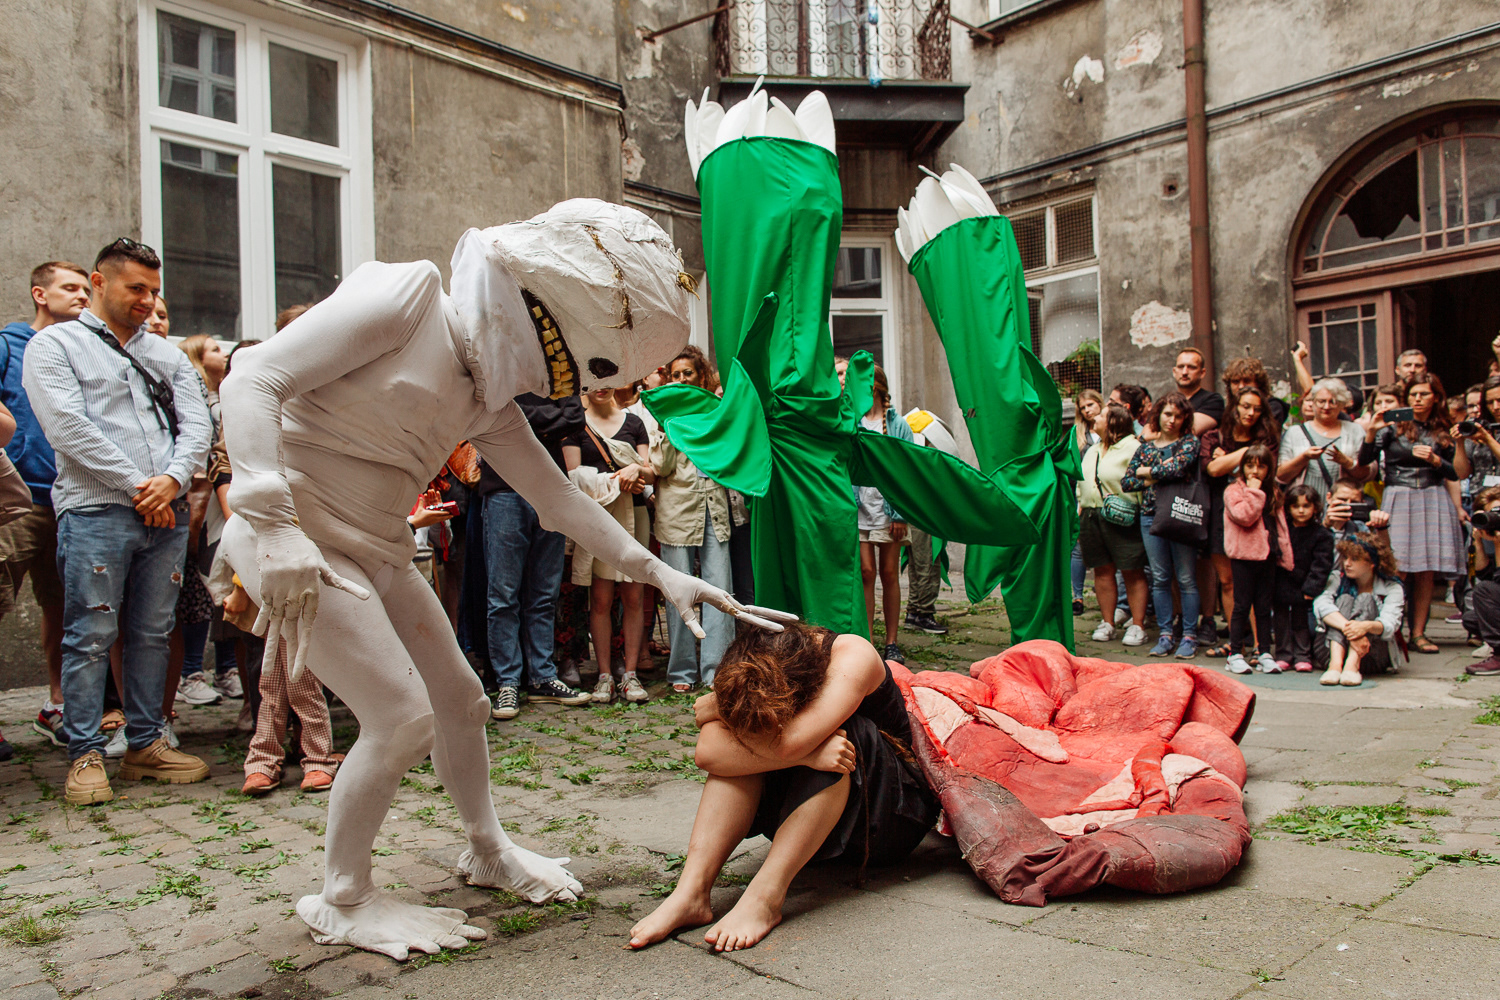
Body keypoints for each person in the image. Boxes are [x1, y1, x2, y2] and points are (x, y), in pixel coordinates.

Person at [22, 238, 214, 805]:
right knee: (89, 632)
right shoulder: (55, 345)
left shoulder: (164, 353)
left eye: (154, 291)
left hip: (167, 509)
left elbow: (197, 424)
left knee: (153, 631)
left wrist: (173, 482)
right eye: (137, 288)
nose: (147, 300)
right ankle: (84, 753)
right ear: (99, 283)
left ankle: (146, 744)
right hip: (96, 508)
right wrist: (139, 486)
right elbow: (67, 427)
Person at [626, 622, 937, 953]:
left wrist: (720, 710)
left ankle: (765, 898)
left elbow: (792, 744)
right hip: (812, 815)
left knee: (842, 736)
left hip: (890, 819)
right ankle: (691, 893)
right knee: (751, 744)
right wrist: (804, 753)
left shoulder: (853, 656)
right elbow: (708, 753)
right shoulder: (760, 661)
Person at [1, 261, 88, 748]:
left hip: (69, 500)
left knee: (63, 608)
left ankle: (57, 704)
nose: (82, 295)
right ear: (40, 293)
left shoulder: (78, 351)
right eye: (69, 288)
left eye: (84, 288)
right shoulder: (8, 345)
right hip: (19, 502)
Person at [477, 394, 592, 719]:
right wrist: (546, 420)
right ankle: (508, 682)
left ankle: (543, 677)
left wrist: (521, 420)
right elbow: (492, 412)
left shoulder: (558, 370)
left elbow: (574, 419)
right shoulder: (501, 367)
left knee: (544, 594)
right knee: (503, 596)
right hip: (503, 488)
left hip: (549, 488)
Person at [1359, 375, 1463, 653]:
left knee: (1426, 570)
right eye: (1413, 394)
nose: (1418, 398)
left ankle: (1418, 633)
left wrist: (1436, 460)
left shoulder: (1443, 428)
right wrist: (1371, 431)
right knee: (1397, 566)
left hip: (1432, 495)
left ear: (1435, 398)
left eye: (1424, 394)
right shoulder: (1394, 427)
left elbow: (1456, 472)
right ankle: (1390, 629)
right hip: (1399, 495)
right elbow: (1363, 461)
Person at [564, 386, 655, 704]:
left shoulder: (634, 423)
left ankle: (630, 675)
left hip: (635, 517)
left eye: (606, 380)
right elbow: (573, 477)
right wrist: (619, 479)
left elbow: (650, 471)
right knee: (600, 599)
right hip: (598, 518)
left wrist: (636, 470)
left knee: (634, 596)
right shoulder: (574, 425)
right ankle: (604, 675)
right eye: (591, 383)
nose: (600, 388)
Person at [654, 349, 734, 692]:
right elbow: (660, 466)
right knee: (678, 593)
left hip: (714, 507)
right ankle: (682, 672)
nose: (683, 380)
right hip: (677, 511)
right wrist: (668, 425)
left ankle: (717, 670)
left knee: (720, 591)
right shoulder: (667, 418)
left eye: (688, 373)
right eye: (677, 375)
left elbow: (729, 458)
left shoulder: (715, 413)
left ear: (701, 377)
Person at [1201, 385, 1281, 656]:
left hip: (1257, 513)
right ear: (1234, 407)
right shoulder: (1216, 435)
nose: (1251, 413)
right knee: (1227, 581)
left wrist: (1231, 458)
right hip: (1221, 512)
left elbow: (1266, 466)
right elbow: (1212, 469)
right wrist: (1250, 452)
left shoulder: (1267, 437)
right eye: (1246, 406)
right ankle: (1238, 642)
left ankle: (1261, 646)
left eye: (1257, 409)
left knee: (1256, 585)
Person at [1121, 392, 1200, 657]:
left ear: (1185, 418)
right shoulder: (1146, 447)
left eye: (1178, 416)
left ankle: (1189, 635)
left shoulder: (1189, 442)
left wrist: (1147, 472)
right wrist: (1154, 476)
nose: (1172, 420)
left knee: (1187, 578)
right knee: (1160, 578)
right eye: (1168, 414)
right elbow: (1127, 481)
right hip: (1151, 516)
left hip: (1181, 515)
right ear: (1159, 415)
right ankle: (1166, 635)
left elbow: (1178, 467)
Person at [842, 361, 912, 663]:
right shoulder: (852, 421)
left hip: (888, 511)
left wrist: (899, 514)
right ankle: (868, 640)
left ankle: (892, 641)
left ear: (876, 387)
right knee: (866, 573)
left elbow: (907, 471)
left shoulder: (897, 425)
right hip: (860, 509)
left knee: (889, 573)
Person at [1079, 404, 1147, 645]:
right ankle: (1107, 622)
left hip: (1120, 516)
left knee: (1132, 569)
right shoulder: (1093, 449)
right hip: (1090, 514)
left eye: (1101, 415)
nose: (1094, 418)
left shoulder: (1132, 447)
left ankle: (1138, 625)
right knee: (1102, 569)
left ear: (1114, 422)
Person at [1222, 444, 1292, 674]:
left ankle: (1263, 651)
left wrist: (1285, 555)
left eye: (1261, 466)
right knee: (1242, 605)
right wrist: (1253, 491)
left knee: (1263, 607)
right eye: (1250, 465)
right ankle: (1235, 653)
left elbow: (1280, 526)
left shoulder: (1273, 491)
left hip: (1268, 555)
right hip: (1244, 556)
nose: (1255, 471)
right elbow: (1244, 516)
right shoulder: (1234, 491)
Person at [1315, 535, 1404, 686]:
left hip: (1372, 656)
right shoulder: (1337, 578)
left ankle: (1352, 665)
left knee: (1366, 600)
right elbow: (1321, 605)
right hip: (1329, 651)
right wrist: (1351, 629)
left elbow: (1390, 624)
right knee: (1345, 600)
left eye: (1354, 559)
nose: (1347, 564)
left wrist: (1366, 626)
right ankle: (1335, 666)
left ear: (1372, 563)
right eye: (1345, 558)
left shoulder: (1392, 587)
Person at [1273, 485, 1335, 672]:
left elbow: (1322, 564)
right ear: (1288, 508)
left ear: (1315, 508)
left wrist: (1312, 587)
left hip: (1304, 586)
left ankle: (1302, 655)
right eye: (1296, 506)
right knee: (1281, 621)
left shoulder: (1322, 535)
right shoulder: (1281, 531)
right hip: (1282, 583)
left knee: (1301, 622)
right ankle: (1283, 654)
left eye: (1306, 506)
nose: (1301, 510)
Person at [1278, 377, 1370, 499]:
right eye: (1321, 401)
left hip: (1342, 504)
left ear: (1341, 404)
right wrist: (1304, 457)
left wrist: (1346, 462)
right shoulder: (1295, 432)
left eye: (1332, 402)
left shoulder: (1355, 431)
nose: (1326, 407)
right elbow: (1281, 476)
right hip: (1304, 508)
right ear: (1313, 402)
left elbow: (1368, 474)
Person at [1070, 389, 1104, 614]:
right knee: (1078, 547)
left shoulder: (1109, 431)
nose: (1087, 410)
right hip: (1082, 497)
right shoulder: (1079, 436)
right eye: (1083, 408)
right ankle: (1077, 596)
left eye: (1091, 404)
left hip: (1107, 497)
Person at [1464, 485, 1500, 676]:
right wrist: (1478, 541)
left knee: (1485, 591)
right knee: (1471, 618)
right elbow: (1482, 574)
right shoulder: (1488, 535)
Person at [1222, 356, 1288, 430]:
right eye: (1235, 382)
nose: (1241, 386)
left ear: (1258, 383)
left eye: (1247, 381)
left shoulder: (1273, 407)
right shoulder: (1228, 410)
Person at [1173, 348, 1223, 435]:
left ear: (1202, 373)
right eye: (1181, 367)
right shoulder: (1165, 401)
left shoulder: (1212, 401)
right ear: (1174, 372)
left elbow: (1188, 431)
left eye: (1191, 367)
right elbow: (1146, 433)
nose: (1184, 372)